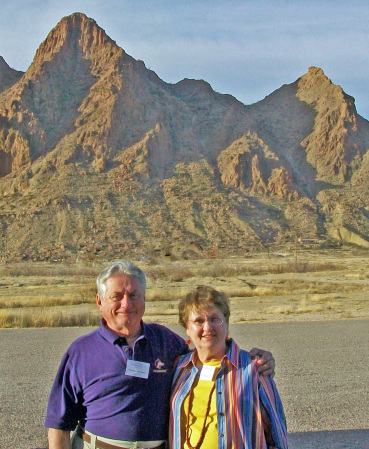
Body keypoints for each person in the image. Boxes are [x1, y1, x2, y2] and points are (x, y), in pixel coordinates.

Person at [45, 261, 276, 449]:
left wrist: (255, 360)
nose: (127, 304)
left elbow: (207, 352)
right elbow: (58, 423)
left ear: (144, 299)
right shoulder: (81, 351)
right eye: (117, 296)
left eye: (134, 295)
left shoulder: (166, 342)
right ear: (99, 301)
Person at [169, 286, 288, 449]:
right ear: (187, 329)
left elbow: (277, 436)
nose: (207, 328)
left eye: (214, 319)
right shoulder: (178, 369)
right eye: (199, 321)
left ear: (227, 324)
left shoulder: (254, 369)